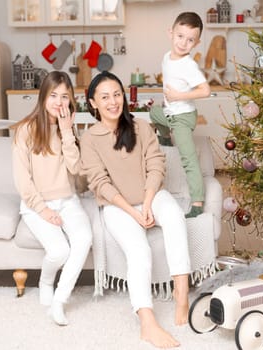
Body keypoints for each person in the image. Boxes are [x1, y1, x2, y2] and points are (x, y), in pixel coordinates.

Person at [80, 71, 191, 348]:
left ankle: (181, 293)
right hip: (118, 206)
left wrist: (149, 202)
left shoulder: (140, 127)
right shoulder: (90, 138)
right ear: (93, 103)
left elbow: (156, 165)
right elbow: (100, 183)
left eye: (116, 94)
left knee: (176, 217)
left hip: (150, 195)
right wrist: (133, 213)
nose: (112, 101)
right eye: (104, 97)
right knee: (139, 249)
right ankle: (147, 322)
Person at [11, 71, 92, 326]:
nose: (59, 102)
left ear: (71, 101)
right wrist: (43, 210)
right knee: (59, 251)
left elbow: (76, 169)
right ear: (43, 96)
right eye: (54, 95)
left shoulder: (67, 128)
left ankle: (59, 301)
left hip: (68, 201)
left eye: (65, 97)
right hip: (37, 206)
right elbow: (23, 180)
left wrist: (67, 132)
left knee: (84, 239)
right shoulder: (26, 130)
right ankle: (45, 281)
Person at [149, 11, 211, 218]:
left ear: (197, 42)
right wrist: (169, 99)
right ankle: (165, 135)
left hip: (183, 117)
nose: (184, 43)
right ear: (171, 33)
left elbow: (205, 90)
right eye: (180, 36)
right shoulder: (167, 57)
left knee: (188, 159)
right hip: (169, 112)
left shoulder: (189, 65)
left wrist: (178, 96)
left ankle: (197, 202)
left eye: (190, 40)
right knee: (153, 113)